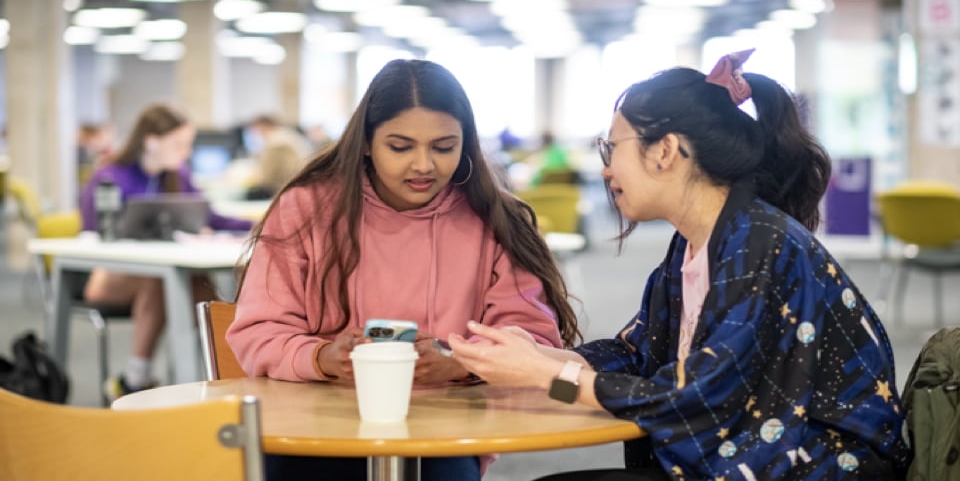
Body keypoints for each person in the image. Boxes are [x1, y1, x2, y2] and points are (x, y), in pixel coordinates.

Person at [448, 50, 912, 480]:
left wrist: (548, 376)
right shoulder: (697, 243)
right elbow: (639, 357)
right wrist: (541, 358)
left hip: (816, 465)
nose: (606, 169)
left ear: (665, 150)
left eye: (612, 148)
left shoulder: (758, 243)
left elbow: (697, 398)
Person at [226, 59, 580, 481]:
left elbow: (533, 340)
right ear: (365, 143)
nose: (423, 165)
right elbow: (258, 331)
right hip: (314, 427)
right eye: (400, 146)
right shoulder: (305, 209)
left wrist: (461, 364)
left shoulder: (493, 219)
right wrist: (322, 357)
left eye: (444, 147)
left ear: (465, 144)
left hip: (442, 433)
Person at [79, 103, 254, 399]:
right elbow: (93, 227)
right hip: (106, 275)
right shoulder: (110, 177)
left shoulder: (177, 176)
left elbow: (209, 216)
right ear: (151, 141)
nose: (185, 152)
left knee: (199, 281)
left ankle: (227, 373)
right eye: (179, 144)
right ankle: (136, 379)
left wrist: (263, 223)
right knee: (160, 278)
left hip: (157, 272)